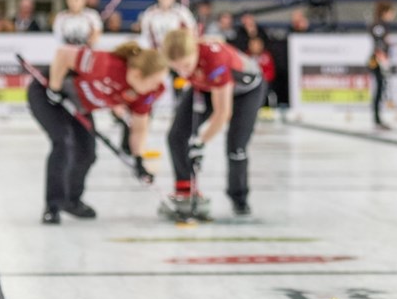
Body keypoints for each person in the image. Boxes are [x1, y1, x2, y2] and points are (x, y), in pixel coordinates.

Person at [27, 42, 169, 224]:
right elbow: (63, 54)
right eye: (155, 81)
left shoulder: (143, 93)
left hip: (79, 106)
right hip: (48, 94)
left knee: (87, 153)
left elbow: (139, 128)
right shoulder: (107, 64)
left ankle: (71, 201)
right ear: (137, 74)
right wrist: (54, 89)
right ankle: (52, 206)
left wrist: (138, 159)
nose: (157, 87)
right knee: (63, 142)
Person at [161, 28, 267, 219]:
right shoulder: (186, 60)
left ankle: (239, 198)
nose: (183, 72)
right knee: (176, 136)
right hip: (208, 85)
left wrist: (200, 142)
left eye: (185, 65)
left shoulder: (215, 60)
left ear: (195, 51)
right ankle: (185, 189)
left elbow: (223, 113)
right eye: (177, 68)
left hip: (245, 91)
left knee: (236, 147)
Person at [368, 0, 396, 130]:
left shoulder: (383, 25)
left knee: (381, 89)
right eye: (391, 12)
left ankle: (378, 118)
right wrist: (383, 60)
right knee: (379, 90)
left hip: (381, 60)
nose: (393, 15)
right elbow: (379, 45)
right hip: (377, 61)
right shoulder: (379, 25)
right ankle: (376, 119)